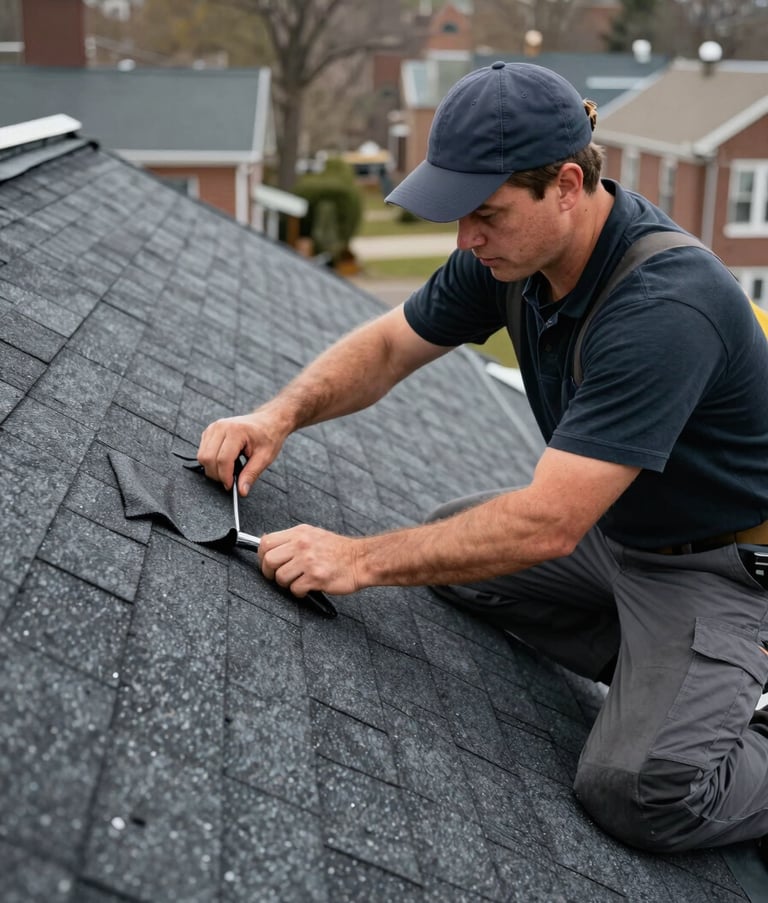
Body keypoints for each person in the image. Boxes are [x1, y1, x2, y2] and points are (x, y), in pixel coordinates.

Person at [197, 61, 768, 856]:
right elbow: (393, 343)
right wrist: (278, 413)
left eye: (487, 215)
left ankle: (730, 698)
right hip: (620, 533)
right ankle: (667, 675)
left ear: (567, 185)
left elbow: (547, 524)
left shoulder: (663, 307)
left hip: (714, 568)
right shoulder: (514, 256)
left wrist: (356, 559)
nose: (466, 239)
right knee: (449, 551)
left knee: (637, 791)